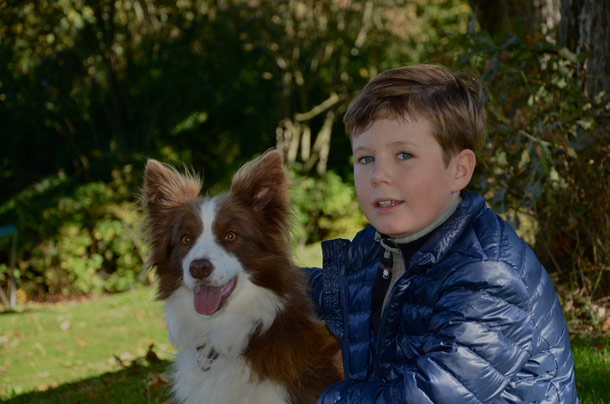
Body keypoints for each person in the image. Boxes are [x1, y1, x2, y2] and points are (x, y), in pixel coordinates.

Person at [305, 64, 579, 403]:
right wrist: (243, 276)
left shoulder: (488, 276)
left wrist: (317, 398)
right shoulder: (377, 249)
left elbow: (431, 396)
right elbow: (322, 292)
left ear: (459, 171)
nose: (379, 175)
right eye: (365, 159)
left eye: (404, 155)